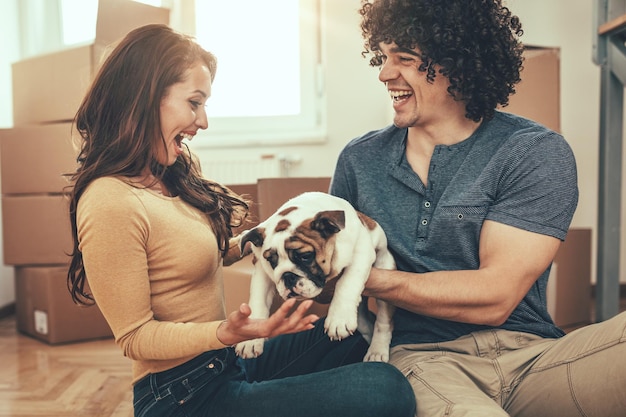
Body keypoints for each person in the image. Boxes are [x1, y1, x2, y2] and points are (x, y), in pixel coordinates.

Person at [65, 24, 416, 417]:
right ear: (144, 100)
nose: (203, 121)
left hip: (223, 364)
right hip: (179, 396)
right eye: (194, 103)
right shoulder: (109, 200)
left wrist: (272, 237)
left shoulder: (168, 175)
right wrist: (224, 333)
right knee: (386, 390)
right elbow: (134, 337)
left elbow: (203, 253)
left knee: (350, 334)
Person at [330, 1, 626, 416]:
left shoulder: (533, 151)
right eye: (382, 56)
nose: (384, 73)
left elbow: (496, 297)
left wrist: (364, 276)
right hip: (424, 359)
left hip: (534, 357)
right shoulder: (360, 161)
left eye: (405, 58)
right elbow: (324, 274)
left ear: (459, 64)